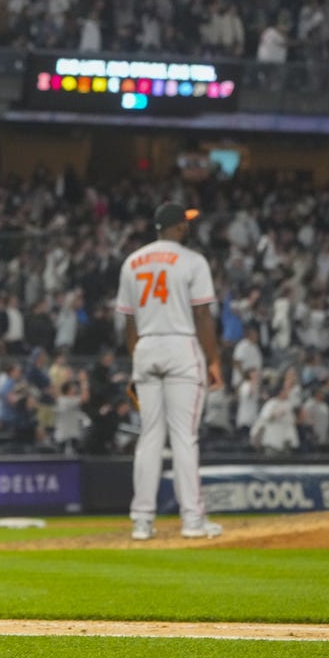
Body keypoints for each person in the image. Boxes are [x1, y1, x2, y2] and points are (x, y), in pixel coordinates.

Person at [116, 202, 223, 541]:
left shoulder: (132, 262)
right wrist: (214, 359)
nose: (187, 227)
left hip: (146, 346)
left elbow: (128, 321)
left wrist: (138, 358)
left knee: (149, 438)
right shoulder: (193, 261)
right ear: (176, 227)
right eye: (184, 223)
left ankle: (142, 521)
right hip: (181, 345)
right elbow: (203, 316)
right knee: (183, 437)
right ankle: (192, 520)